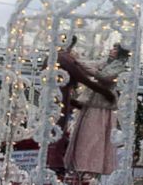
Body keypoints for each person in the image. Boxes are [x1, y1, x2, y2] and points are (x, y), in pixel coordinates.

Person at [48, 36, 117, 171]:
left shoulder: (59, 56)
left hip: (61, 95)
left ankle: (56, 160)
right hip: (60, 94)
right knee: (58, 127)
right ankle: (54, 161)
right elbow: (82, 77)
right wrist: (103, 91)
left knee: (58, 127)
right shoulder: (63, 57)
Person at [65, 43, 129, 175]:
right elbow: (92, 65)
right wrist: (77, 61)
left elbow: (104, 76)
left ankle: (91, 166)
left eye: (115, 49)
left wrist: (80, 64)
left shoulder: (119, 66)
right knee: (85, 134)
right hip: (92, 101)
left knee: (95, 135)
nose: (111, 49)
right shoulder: (105, 62)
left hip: (103, 105)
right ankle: (80, 165)